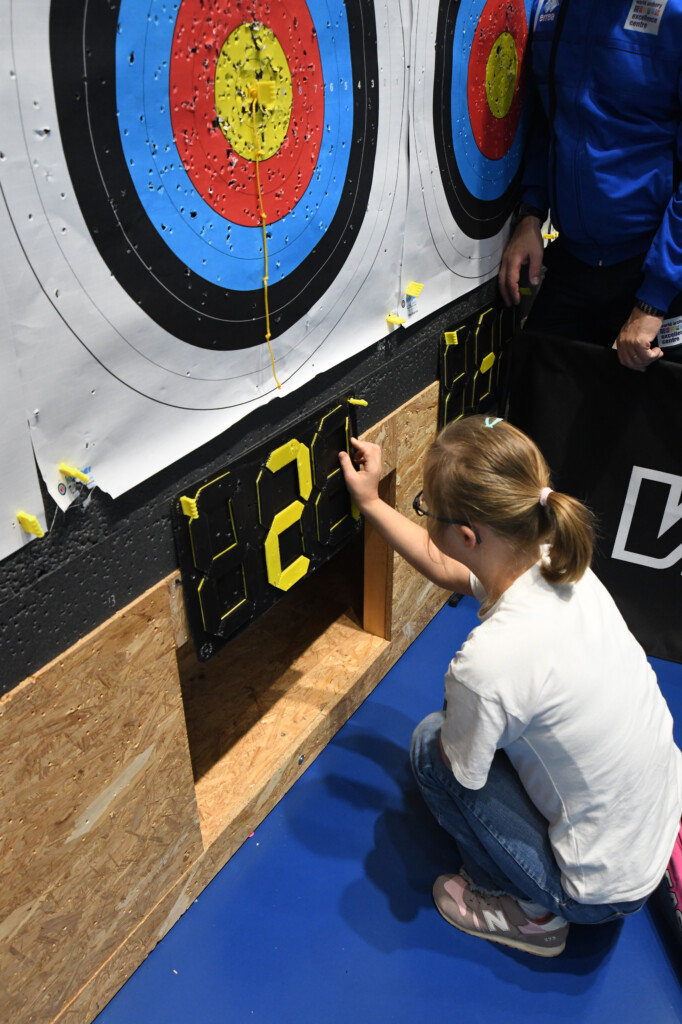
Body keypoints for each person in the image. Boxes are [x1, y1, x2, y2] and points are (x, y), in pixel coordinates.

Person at [339, 414, 682, 957]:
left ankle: (531, 912)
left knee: (431, 747)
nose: (425, 521)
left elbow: (463, 771)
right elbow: (451, 568)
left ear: (469, 535)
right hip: (656, 821)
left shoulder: (487, 664)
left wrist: (466, 717)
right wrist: (373, 502)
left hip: (601, 893)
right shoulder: (557, 558)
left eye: (426, 510)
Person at [499, 0, 682, 372]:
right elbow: (550, 121)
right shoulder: (552, 9)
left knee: (653, 424)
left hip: (654, 264)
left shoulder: (675, 15)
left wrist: (653, 301)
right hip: (574, 261)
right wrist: (531, 214)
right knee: (540, 405)